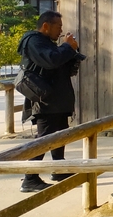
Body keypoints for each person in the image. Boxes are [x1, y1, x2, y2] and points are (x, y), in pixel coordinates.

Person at [17, 10, 86, 192]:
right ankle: (30, 178)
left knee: (60, 134)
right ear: (46, 26)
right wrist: (66, 47)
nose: (60, 31)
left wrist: (73, 50)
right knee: (44, 138)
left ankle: (59, 169)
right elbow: (51, 60)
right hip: (44, 99)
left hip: (58, 99)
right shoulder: (33, 41)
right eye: (58, 27)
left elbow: (65, 66)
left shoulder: (49, 43)